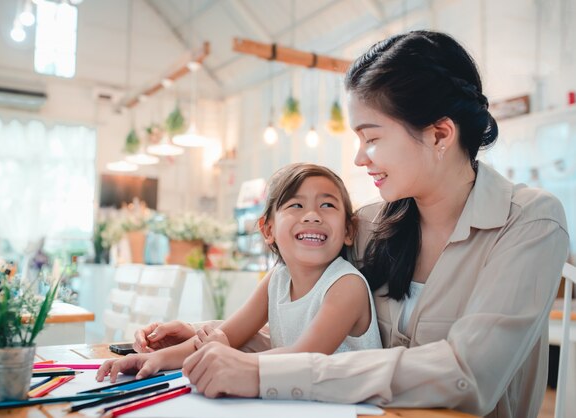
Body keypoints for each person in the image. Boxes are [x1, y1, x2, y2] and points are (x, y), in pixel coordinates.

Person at [131, 30, 570, 418]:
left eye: (372, 138)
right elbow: (312, 341)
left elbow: (467, 376)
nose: (360, 159)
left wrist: (261, 372)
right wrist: (206, 337)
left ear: (439, 134)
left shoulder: (530, 222)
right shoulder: (367, 224)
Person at [97, 163, 382, 383]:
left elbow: (304, 357)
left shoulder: (346, 285)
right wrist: (153, 360)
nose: (312, 215)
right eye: (296, 205)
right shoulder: (278, 279)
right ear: (267, 230)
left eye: (328, 205)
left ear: (348, 230)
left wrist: (227, 354)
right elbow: (226, 336)